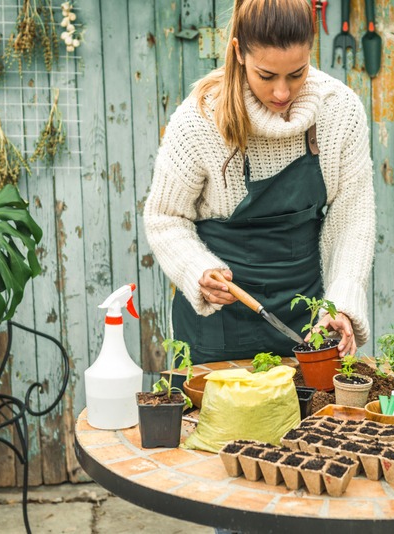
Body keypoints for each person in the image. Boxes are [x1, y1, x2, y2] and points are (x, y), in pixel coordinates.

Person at [144, 0, 375, 364]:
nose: (282, 93)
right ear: (238, 52)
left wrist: (340, 303)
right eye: (266, 76)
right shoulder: (200, 119)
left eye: (296, 74)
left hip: (308, 324)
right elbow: (164, 218)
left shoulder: (339, 110)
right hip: (217, 329)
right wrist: (197, 270)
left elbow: (352, 217)